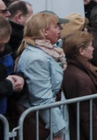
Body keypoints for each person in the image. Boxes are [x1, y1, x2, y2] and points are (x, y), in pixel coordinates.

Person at [14, 11, 68, 140]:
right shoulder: (36, 58)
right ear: (45, 31)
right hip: (43, 122)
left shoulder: (49, 52)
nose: (60, 29)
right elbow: (42, 99)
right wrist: (58, 131)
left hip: (49, 117)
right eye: (56, 26)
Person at [61, 29, 97, 140]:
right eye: (90, 46)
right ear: (81, 51)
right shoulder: (78, 77)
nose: (93, 48)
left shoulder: (78, 70)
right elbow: (87, 115)